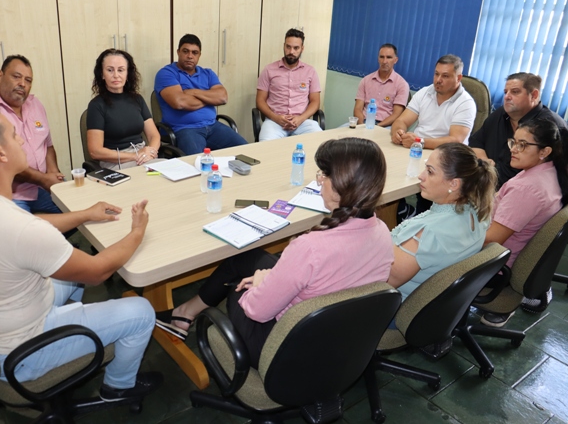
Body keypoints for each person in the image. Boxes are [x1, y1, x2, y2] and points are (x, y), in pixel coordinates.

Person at [0, 104, 162, 402]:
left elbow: (27, 229)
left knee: (70, 274)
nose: (21, 140)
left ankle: (75, 339)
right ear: (0, 153)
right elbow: (97, 271)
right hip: (19, 355)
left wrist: (84, 214)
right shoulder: (17, 228)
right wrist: (137, 231)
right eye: (14, 135)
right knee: (142, 312)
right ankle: (118, 388)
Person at [155, 137, 394, 367]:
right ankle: (184, 313)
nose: (320, 181)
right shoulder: (382, 232)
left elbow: (257, 312)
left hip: (280, 348)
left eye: (325, 175)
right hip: (338, 338)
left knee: (240, 284)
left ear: (342, 184)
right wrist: (274, 278)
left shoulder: (309, 248)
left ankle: (184, 315)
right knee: (245, 257)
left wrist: (260, 285)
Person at [480, 118, 568, 326]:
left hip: (491, 265)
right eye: (514, 142)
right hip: (504, 257)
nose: (513, 149)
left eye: (523, 145)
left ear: (544, 151)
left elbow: (491, 239)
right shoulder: (549, 173)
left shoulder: (528, 190)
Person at [388, 143, 497, 300]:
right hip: (433, 300)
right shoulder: (478, 212)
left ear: (454, 184)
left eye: (430, 171)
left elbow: (384, 282)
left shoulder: (428, 233)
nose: (421, 176)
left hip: (395, 303)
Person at [0, 55, 64, 214]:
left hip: (39, 188)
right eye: (16, 76)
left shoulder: (35, 104)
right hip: (4, 195)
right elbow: (0, 163)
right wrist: (43, 179)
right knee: (25, 229)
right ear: (0, 76)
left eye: (28, 80)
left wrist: (53, 175)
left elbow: (47, 145)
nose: (22, 83)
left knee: (79, 209)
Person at [470, 72, 568, 188]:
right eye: (506, 92)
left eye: (515, 92)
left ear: (534, 95)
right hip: (484, 182)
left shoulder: (552, 128)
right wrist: (485, 161)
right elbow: (476, 142)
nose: (507, 97)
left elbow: (556, 179)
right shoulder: (500, 113)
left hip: (522, 191)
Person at [154, 34, 247, 155]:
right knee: (197, 161)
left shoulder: (208, 73)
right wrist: (210, 98)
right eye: (185, 51)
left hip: (213, 125)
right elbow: (180, 103)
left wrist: (192, 92)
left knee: (246, 151)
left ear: (199, 55)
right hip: (185, 128)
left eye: (194, 53)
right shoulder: (167, 73)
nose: (190, 56)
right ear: (178, 52)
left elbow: (222, 97)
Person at [87, 49, 161, 170]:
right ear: (102, 74)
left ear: (127, 74)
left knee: (172, 171)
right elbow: (95, 151)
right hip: (116, 161)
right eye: (110, 70)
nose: (116, 75)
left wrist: (150, 152)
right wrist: (134, 156)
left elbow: (154, 136)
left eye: (121, 70)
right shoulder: (96, 105)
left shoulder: (137, 99)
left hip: (143, 156)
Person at [391, 54, 476, 149]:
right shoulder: (425, 92)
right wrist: (398, 132)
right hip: (417, 149)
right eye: (436, 74)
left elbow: (455, 140)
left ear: (458, 78)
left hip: (446, 153)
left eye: (445, 76)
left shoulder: (466, 103)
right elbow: (402, 121)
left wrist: (420, 142)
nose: (438, 80)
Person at [256, 28, 323, 141]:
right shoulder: (269, 70)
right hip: (275, 122)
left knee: (321, 142)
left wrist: (300, 119)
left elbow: (315, 101)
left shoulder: (310, 71)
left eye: (296, 48)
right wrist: (276, 118)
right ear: (284, 46)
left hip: (302, 122)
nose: (291, 51)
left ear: (302, 48)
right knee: (265, 145)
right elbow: (260, 101)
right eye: (288, 47)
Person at [353, 43, 410, 127]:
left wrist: (377, 127)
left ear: (395, 60)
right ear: (378, 59)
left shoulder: (402, 85)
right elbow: (358, 109)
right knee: (339, 132)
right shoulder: (366, 80)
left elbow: (396, 115)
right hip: (364, 122)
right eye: (382, 57)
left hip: (386, 125)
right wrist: (362, 126)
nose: (384, 61)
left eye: (389, 57)